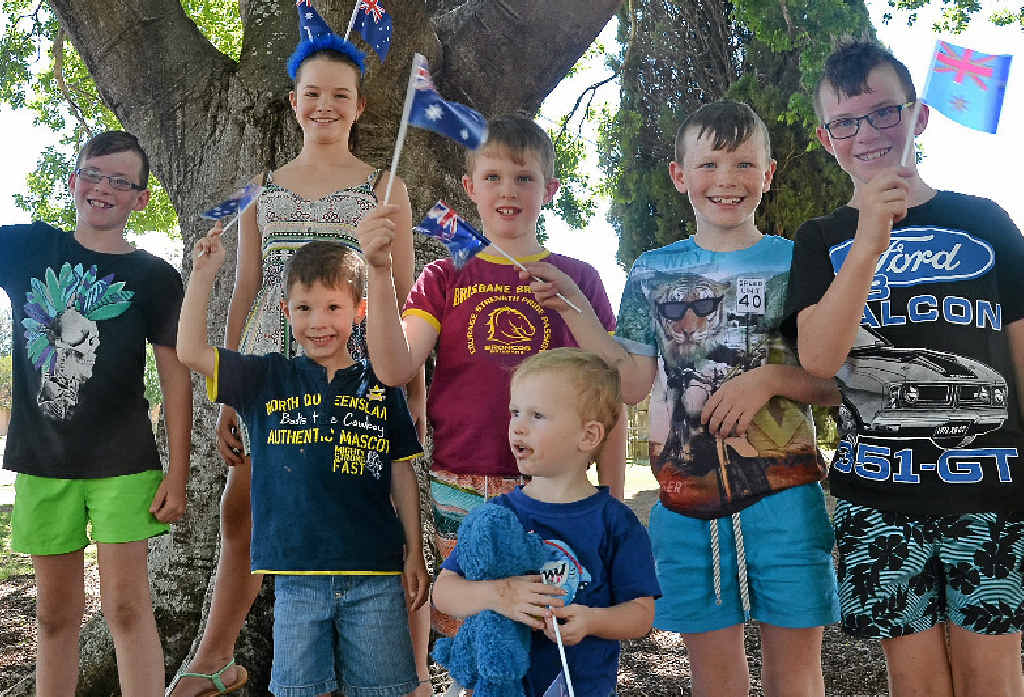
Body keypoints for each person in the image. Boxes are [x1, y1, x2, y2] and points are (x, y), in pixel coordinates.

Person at [521, 100, 843, 697]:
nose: (727, 179)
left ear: (769, 174)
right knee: (714, 679)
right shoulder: (651, 271)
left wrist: (769, 380)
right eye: (709, 164)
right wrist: (576, 309)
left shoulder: (796, 261)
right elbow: (632, 382)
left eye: (743, 164)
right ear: (679, 175)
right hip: (686, 505)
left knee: (796, 676)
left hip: (787, 499)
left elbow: (835, 381)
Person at [169, 4, 425, 695]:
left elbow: (405, 296)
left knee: (364, 505)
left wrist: (413, 391)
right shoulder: (262, 190)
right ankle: (216, 656)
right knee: (243, 509)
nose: (325, 105)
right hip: (270, 376)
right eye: (312, 93)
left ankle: (398, 669)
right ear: (293, 102)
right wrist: (227, 397)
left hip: (356, 372)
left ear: (360, 106)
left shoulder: (386, 186)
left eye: (340, 94)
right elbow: (246, 288)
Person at [784, 40, 1024, 697]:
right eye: (845, 123)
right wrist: (867, 240)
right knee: (915, 682)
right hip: (878, 499)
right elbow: (819, 359)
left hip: (991, 489)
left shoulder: (985, 221)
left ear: (919, 116)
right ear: (826, 139)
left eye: (884, 112)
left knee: (992, 677)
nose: (866, 134)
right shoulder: (820, 239)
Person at [359, 113, 625, 640]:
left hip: (558, 484)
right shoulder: (444, 276)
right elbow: (393, 367)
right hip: (461, 480)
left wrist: (612, 497)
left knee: (550, 629)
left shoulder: (578, 279)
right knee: (475, 636)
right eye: (493, 177)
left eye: (524, 177)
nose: (508, 190)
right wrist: (377, 270)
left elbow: (610, 393)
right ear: (470, 187)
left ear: (549, 189)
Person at [177, 235, 427, 697]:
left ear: (360, 311)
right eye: (305, 308)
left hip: (374, 575)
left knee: (385, 690)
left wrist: (415, 552)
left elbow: (401, 472)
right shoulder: (264, 377)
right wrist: (203, 275)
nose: (318, 322)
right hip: (296, 579)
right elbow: (190, 350)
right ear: (286, 312)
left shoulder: (382, 383)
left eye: (333, 307)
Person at [0, 130, 193, 697]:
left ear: (141, 198)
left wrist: (178, 470)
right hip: (41, 462)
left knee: (127, 609)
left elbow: (175, 376)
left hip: (124, 466)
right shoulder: (29, 247)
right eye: (94, 173)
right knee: (54, 615)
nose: (103, 188)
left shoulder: (155, 277)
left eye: (120, 181)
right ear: (73, 180)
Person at [432, 348, 659, 697]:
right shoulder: (498, 516)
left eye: (537, 415)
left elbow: (641, 614)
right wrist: (498, 595)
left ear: (588, 436)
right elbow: (444, 591)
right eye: (515, 412)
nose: (518, 427)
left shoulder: (616, 522)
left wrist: (593, 621)